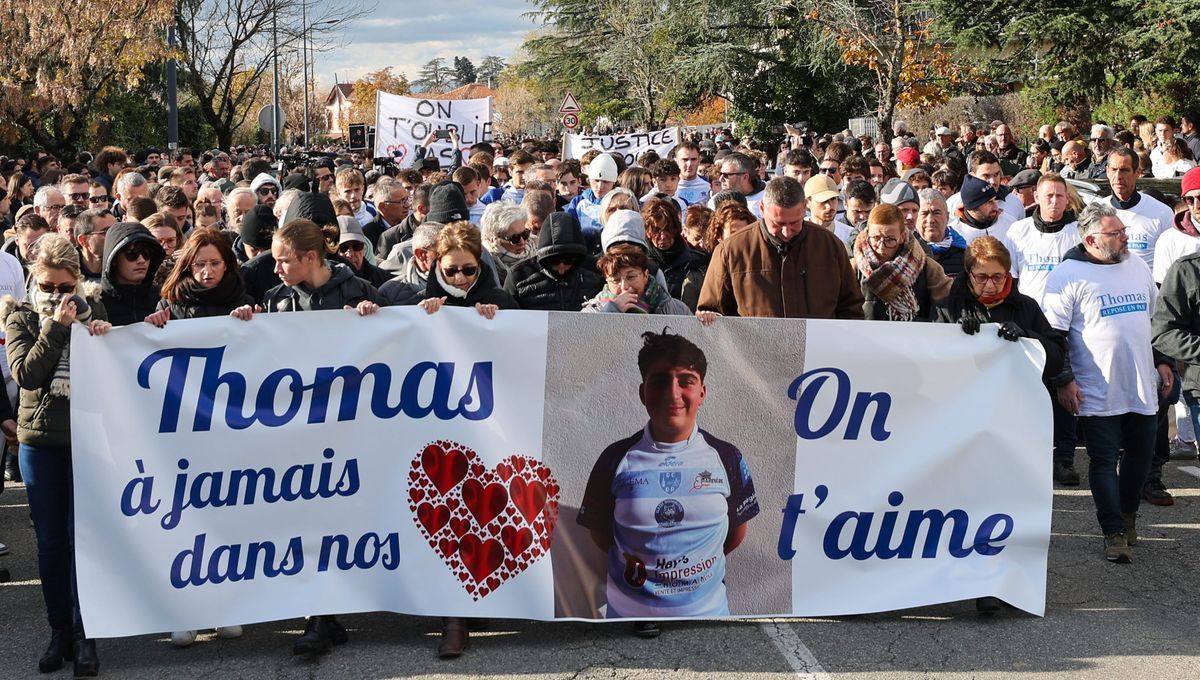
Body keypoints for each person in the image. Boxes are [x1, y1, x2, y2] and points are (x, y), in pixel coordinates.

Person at [577, 330, 758, 636]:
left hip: (709, 618)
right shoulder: (614, 458)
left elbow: (735, 533)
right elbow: (602, 535)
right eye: (660, 381)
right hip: (629, 621)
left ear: (702, 392)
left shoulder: (726, 457)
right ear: (643, 393)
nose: (672, 394)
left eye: (685, 381)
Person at [4, 234, 112, 676]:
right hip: (40, 443)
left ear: (78, 282)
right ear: (34, 280)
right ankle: (59, 629)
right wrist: (56, 326)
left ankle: (88, 631)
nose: (55, 296)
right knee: (49, 544)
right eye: (47, 286)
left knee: (81, 541)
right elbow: (27, 374)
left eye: (65, 287)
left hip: (88, 439)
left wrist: (101, 335)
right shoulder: (20, 316)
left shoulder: (96, 309)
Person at [1042, 203, 1170, 563]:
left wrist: (1162, 362)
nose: (1125, 237)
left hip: (1141, 386)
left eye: (1123, 231)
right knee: (1101, 462)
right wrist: (1064, 381)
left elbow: (1155, 321)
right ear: (1091, 240)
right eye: (1116, 234)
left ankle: (1128, 516)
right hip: (1097, 390)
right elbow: (1054, 337)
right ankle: (1112, 530)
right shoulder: (1067, 275)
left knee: (1141, 457)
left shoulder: (1136, 266)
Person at [410, 221, 516, 659]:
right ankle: (452, 620)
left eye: (468, 271)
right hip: (436, 433)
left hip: (489, 431)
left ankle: (476, 600)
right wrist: (420, 320)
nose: (459, 280)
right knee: (445, 520)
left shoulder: (502, 301)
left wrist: (498, 323)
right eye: (450, 271)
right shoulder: (415, 303)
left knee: (483, 517)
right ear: (435, 266)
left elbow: (521, 354)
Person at [696, 176, 864, 321]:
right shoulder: (731, 250)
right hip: (754, 355)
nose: (786, 231)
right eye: (778, 223)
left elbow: (851, 308)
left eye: (794, 223)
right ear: (762, 209)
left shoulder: (829, 246)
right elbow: (711, 312)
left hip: (819, 353)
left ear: (804, 207)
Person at [853, 204, 952, 321]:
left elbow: (949, 301)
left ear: (902, 236)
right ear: (867, 233)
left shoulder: (925, 267)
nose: (881, 247)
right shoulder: (854, 267)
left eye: (890, 240)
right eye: (875, 238)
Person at [503, 212, 604, 311]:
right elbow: (505, 317)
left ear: (578, 259)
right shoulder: (518, 276)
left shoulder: (597, 270)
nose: (561, 269)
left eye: (568, 261)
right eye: (554, 262)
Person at [583, 245, 690, 315]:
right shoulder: (592, 311)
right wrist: (611, 310)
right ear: (607, 280)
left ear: (645, 275)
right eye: (615, 280)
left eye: (631, 277)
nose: (624, 286)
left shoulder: (677, 310)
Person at [99, 221, 166, 326]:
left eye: (146, 254)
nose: (141, 260)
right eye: (132, 254)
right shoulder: (96, 303)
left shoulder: (163, 298)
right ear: (114, 259)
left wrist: (166, 320)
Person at [916, 189, 966, 279]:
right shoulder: (908, 252)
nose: (931, 220)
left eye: (936, 213)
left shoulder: (963, 253)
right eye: (924, 214)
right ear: (916, 217)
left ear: (947, 217)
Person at [480, 201, 534, 282]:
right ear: (494, 239)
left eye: (525, 234)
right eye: (514, 238)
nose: (522, 242)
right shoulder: (483, 264)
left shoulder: (537, 248)